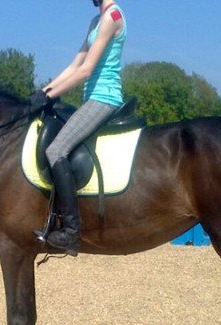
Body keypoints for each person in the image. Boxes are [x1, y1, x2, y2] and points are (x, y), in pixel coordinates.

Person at [30, 0, 127, 255]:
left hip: (104, 98)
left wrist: (51, 96)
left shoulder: (112, 17)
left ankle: (71, 232)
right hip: (92, 98)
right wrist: (44, 91)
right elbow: (74, 65)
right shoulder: (96, 21)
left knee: (56, 150)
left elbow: (85, 71)